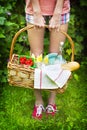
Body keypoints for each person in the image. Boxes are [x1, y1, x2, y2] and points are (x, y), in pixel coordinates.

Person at [25, 0, 70, 119]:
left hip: (60, 9)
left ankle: (52, 102)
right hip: (34, 7)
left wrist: (58, 11)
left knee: (55, 58)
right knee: (36, 58)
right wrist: (36, 10)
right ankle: (38, 102)